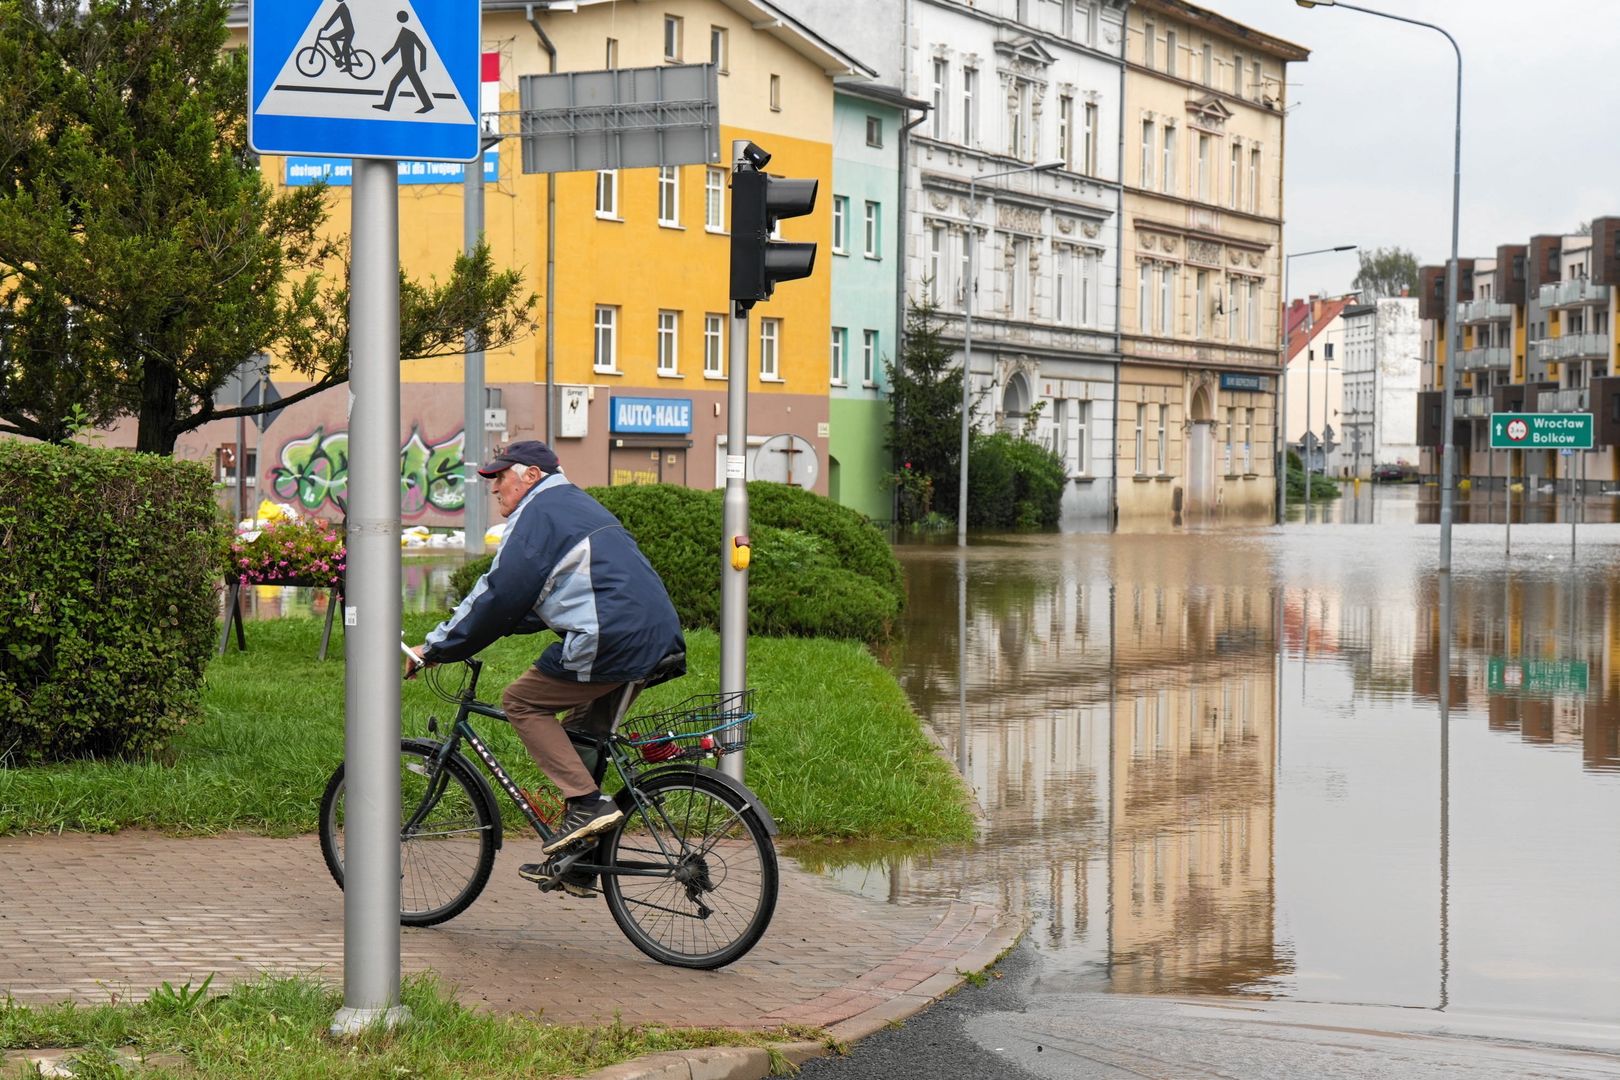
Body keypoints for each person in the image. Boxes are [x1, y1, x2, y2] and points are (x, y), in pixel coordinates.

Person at [408, 441, 685, 882]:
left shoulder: (539, 515)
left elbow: (498, 593)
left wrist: (435, 648)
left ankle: (587, 806)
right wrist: (476, 634)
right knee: (580, 736)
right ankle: (581, 862)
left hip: (611, 637)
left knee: (521, 701)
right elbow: (537, 601)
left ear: (531, 476)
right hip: (653, 636)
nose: (494, 487)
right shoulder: (573, 505)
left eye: (500, 477)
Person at [318, 0, 356, 72]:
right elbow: (334, 17)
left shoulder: (342, 7)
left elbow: (334, 17)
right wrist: (326, 28)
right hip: (347, 30)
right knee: (332, 38)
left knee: (345, 48)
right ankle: (338, 53)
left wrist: (326, 28)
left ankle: (349, 67)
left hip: (349, 31)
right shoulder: (342, 6)